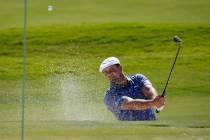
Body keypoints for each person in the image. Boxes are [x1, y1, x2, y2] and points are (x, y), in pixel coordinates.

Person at [99, 57, 165, 121]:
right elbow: (129, 104)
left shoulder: (138, 78)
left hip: (152, 127)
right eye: (105, 72)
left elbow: (148, 89)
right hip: (130, 131)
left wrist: (157, 100)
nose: (109, 74)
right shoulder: (109, 96)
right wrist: (153, 103)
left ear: (120, 68)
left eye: (111, 69)